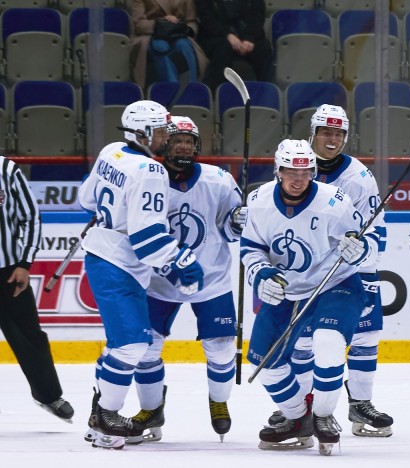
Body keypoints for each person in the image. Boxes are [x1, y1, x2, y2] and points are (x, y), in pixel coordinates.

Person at [79, 101, 205, 450]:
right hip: (116, 263)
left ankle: (99, 415)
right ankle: (107, 414)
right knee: (133, 344)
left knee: (131, 343)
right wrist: (181, 260)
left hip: (108, 257)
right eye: (163, 132)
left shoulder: (110, 151)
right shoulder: (151, 171)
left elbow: (85, 198)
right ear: (142, 133)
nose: (168, 138)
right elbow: (148, 239)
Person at [241, 139, 380, 455]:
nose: (298, 179)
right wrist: (261, 274)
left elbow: (368, 239)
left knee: (328, 342)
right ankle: (298, 418)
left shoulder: (335, 202)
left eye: (305, 172)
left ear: (313, 172)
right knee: (264, 363)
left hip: (335, 284)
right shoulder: (259, 202)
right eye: (291, 171)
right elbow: (251, 249)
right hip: (285, 291)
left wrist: (359, 249)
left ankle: (323, 415)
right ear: (278, 170)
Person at [266, 105, 392, 437]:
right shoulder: (294, 166)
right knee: (305, 341)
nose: (332, 139)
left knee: (366, 335)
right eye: (326, 132)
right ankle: (303, 407)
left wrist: (363, 265)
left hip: (350, 272)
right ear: (313, 133)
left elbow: (376, 231)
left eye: (338, 134)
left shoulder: (359, 179)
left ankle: (360, 403)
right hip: (304, 274)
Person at [124, 116, 247, 444]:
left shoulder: (219, 180)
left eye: (189, 142)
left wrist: (237, 221)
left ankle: (218, 402)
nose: (183, 146)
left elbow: (230, 232)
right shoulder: (148, 178)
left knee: (221, 349)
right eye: (177, 140)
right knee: (146, 348)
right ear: (164, 143)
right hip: (159, 280)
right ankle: (152, 410)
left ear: (198, 147)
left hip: (211, 279)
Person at [0, 156, 74, 423]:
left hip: (7, 273)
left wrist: (24, 263)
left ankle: (48, 395)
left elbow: (30, 216)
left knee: (29, 337)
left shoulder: (5, 169)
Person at [194, 0, 273, 92]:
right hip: (216, 37)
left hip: (248, 36)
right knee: (222, 48)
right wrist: (228, 35)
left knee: (263, 48)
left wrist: (249, 38)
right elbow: (207, 21)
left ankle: (264, 92)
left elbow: (257, 18)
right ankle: (213, 94)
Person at [130, 0, 209, 87]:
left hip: (179, 33)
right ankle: (172, 89)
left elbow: (191, 21)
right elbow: (138, 24)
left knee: (184, 45)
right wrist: (162, 22)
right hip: (152, 33)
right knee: (160, 46)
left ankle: (191, 88)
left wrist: (185, 29)